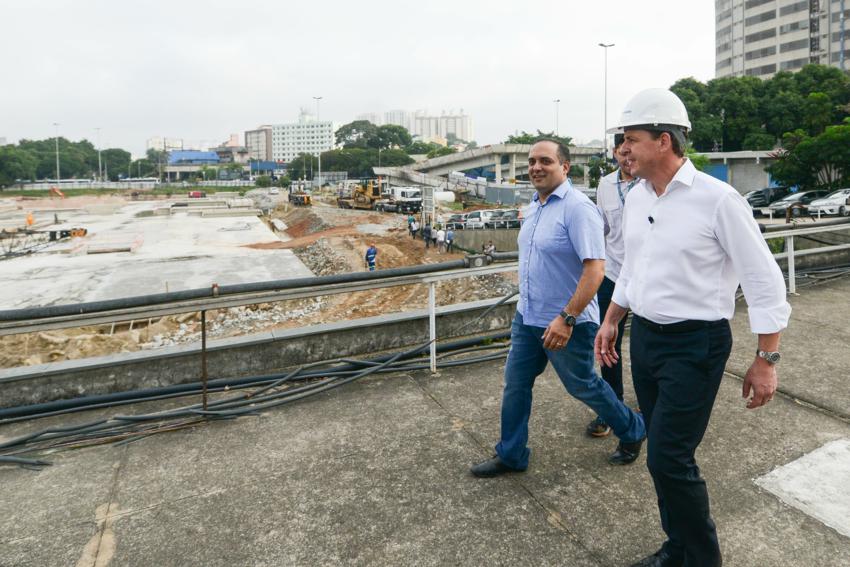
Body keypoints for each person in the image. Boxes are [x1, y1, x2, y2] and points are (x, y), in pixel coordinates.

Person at [595, 89, 791, 567]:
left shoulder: (718, 200)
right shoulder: (639, 197)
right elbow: (634, 267)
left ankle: (702, 558)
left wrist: (766, 360)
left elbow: (765, 281)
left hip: (696, 344)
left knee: (668, 458)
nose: (623, 149)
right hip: (647, 339)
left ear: (664, 141)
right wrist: (612, 319)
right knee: (665, 458)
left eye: (631, 139)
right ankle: (677, 547)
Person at [470, 139, 646, 479]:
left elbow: (595, 270)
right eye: (532, 161)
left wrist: (567, 318)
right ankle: (511, 453)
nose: (536, 167)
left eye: (546, 161)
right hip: (528, 318)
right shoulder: (533, 206)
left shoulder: (578, 209)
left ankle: (633, 428)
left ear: (564, 167)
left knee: (583, 385)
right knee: (516, 385)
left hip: (568, 322)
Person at [585, 134, 642, 438]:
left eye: (631, 151)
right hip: (613, 275)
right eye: (621, 152)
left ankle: (650, 405)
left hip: (647, 276)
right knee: (608, 345)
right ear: (615, 153)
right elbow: (602, 228)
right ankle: (613, 408)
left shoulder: (649, 182)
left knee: (648, 346)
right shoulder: (606, 185)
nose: (626, 158)